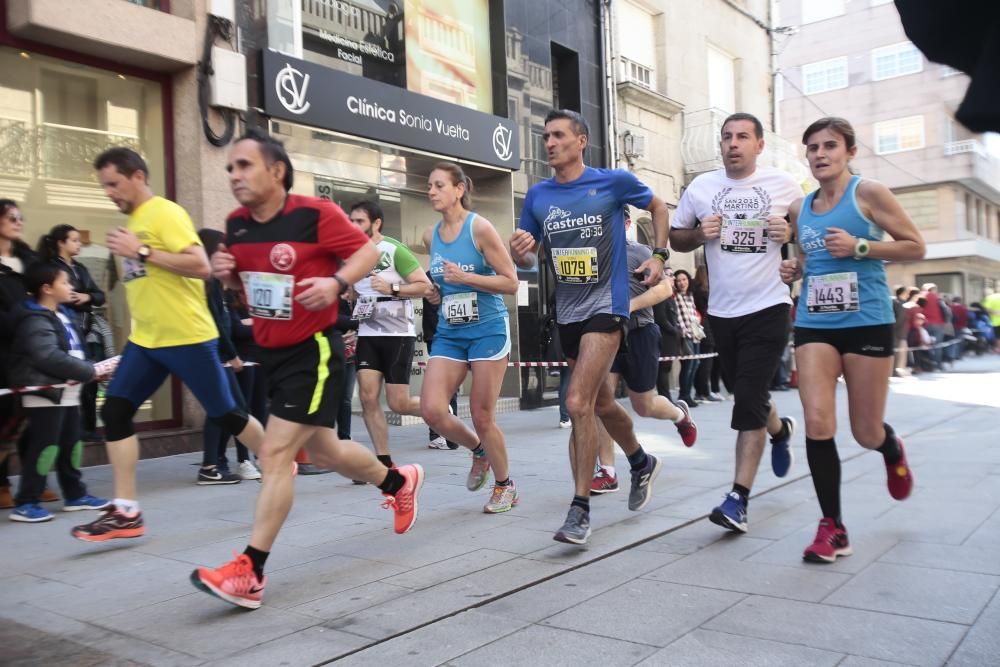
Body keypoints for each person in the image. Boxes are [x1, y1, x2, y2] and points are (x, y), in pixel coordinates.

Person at [191, 128, 423, 609]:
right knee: (325, 452)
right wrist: (228, 273)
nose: (234, 175)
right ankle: (399, 482)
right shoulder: (236, 224)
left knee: (277, 455)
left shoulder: (314, 215)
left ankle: (250, 571)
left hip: (313, 350)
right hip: (270, 350)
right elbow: (246, 278)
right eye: (230, 167)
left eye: (244, 166)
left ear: (276, 171)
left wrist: (336, 283)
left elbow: (365, 252)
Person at [70, 147, 267, 542]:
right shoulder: (135, 221)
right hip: (147, 340)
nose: (109, 192)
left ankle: (279, 464)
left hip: (187, 336)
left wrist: (141, 251)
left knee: (228, 414)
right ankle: (126, 511)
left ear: (138, 176)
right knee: (117, 412)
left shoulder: (165, 212)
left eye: (114, 183)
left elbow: (200, 266)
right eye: (104, 186)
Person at [510, 109, 670, 545]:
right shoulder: (538, 196)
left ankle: (579, 510)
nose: (549, 143)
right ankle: (640, 461)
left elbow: (657, 205)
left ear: (581, 141)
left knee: (577, 401)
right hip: (569, 312)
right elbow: (526, 258)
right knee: (599, 404)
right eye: (545, 136)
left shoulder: (612, 182)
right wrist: (520, 249)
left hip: (608, 305)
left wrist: (659, 255)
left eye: (559, 135)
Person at [779, 116, 925, 563]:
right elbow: (809, 256)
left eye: (830, 146)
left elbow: (915, 246)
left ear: (849, 152)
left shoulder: (869, 193)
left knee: (865, 431)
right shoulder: (800, 207)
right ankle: (833, 527)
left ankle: (890, 445)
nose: (820, 155)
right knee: (818, 422)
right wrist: (796, 269)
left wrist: (862, 247)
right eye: (813, 148)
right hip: (815, 323)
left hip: (867, 320)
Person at [669, 112, 801, 534]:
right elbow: (676, 237)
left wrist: (790, 231)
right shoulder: (702, 187)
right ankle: (780, 431)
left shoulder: (783, 184)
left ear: (759, 145)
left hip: (769, 306)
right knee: (748, 393)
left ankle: (737, 499)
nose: (733, 144)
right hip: (723, 313)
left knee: (748, 399)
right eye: (727, 137)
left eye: (743, 136)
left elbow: (809, 228)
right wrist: (698, 234)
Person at [421, 161, 521, 513]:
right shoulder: (429, 236)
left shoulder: (480, 229)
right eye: (429, 186)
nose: (431, 191)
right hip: (450, 330)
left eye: (438, 185)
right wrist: (435, 292)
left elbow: (511, 282)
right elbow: (440, 283)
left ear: (459, 189)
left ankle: (505, 485)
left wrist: (468, 279)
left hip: (487, 330)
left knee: (482, 414)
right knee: (432, 410)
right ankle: (479, 450)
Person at [591, 215, 698, 495]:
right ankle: (608, 471)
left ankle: (680, 415)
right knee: (602, 402)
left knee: (644, 405)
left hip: (640, 332)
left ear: (626, 223)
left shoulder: (639, 252)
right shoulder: (591, 251)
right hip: (605, 335)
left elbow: (664, 288)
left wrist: (628, 305)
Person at [8, 263, 111, 522]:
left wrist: (91, 370)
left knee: (71, 444)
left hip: (67, 390)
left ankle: (75, 495)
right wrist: (89, 371)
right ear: (47, 288)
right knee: (46, 447)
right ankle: (27, 501)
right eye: (64, 282)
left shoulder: (64, 314)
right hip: (45, 392)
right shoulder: (34, 318)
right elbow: (47, 356)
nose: (71, 287)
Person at [349, 200, 431, 469]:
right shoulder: (352, 254)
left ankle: (438, 408)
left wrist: (391, 287)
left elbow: (424, 286)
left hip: (397, 334)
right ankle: (383, 459)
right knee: (368, 397)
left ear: (376, 223)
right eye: (351, 221)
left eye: (359, 221)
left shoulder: (394, 249)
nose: (353, 226)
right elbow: (355, 292)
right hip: (367, 332)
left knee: (399, 403)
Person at [37, 224, 107, 443]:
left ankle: (88, 428)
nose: (79, 244)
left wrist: (86, 297)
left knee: (91, 379)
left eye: (79, 240)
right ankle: (72, 430)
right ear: (61, 243)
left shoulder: (80, 268)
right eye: (74, 240)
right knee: (71, 377)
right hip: (65, 326)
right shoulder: (50, 268)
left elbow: (99, 295)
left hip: (86, 328)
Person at [195, 228, 246, 485]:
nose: (228, 255)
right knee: (228, 409)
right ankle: (210, 464)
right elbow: (214, 322)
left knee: (227, 409)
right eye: (223, 250)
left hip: (218, 353)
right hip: (214, 353)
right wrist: (231, 355)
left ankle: (215, 462)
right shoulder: (206, 283)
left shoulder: (215, 282)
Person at [0, 199, 36, 510]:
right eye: (12, 217)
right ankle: (2, 484)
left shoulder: (28, 260)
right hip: (4, 351)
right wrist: (22, 314)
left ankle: (31, 481)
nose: (19, 222)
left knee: (33, 417)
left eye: (20, 217)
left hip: (32, 350)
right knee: (4, 417)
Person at [420, 294, 459, 449]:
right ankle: (441, 434)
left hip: (449, 336)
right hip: (440, 337)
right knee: (443, 385)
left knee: (449, 386)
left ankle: (450, 432)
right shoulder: (432, 278)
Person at [691, 267, 724, 402]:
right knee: (706, 363)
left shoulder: (695, 291)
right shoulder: (704, 292)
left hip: (701, 328)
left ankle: (703, 391)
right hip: (707, 329)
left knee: (703, 362)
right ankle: (704, 391)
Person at [673, 269, 704, 407]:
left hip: (695, 334)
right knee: (687, 366)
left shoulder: (690, 295)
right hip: (685, 335)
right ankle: (683, 395)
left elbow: (694, 315)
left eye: (684, 279)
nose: (682, 283)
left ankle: (688, 394)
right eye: (678, 280)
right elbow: (678, 318)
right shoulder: (675, 296)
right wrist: (684, 332)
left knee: (695, 365)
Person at [652, 291, 681, 401]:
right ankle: (665, 397)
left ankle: (666, 396)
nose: (672, 278)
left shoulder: (669, 296)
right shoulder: (661, 296)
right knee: (663, 368)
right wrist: (674, 330)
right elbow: (661, 318)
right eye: (670, 275)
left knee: (666, 368)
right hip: (665, 338)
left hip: (671, 338)